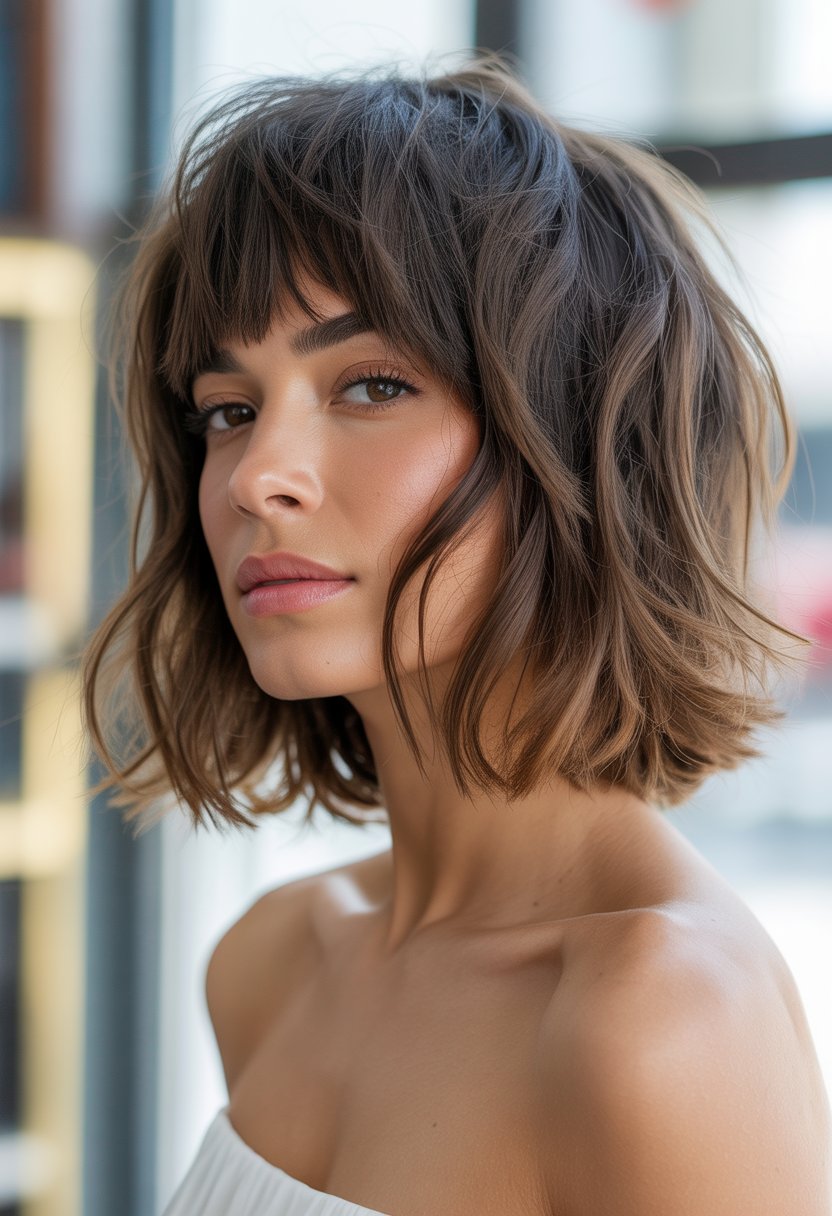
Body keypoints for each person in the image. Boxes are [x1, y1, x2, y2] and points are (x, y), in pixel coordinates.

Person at [82, 56, 831, 1216]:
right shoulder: (274, 961)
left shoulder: (657, 1019)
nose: (255, 477)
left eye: (371, 385)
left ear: (579, 443)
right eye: (228, 410)